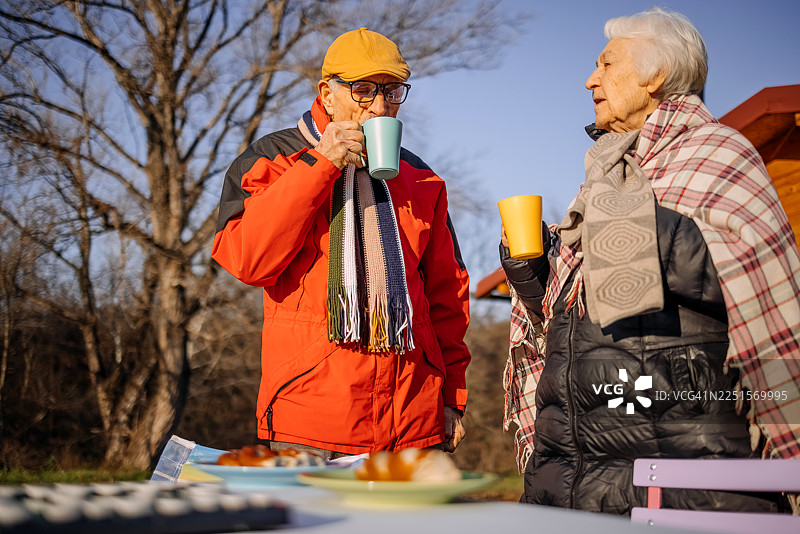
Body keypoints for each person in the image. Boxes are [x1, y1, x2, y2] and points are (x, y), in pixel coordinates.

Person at [501, 7, 800, 515]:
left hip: (678, 480)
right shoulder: (608, 175)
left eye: (607, 63)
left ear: (656, 75)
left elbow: (760, 281)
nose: (591, 79)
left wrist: (650, 235)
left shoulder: (718, 152)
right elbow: (577, 323)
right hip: (572, 476)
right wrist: (537, 276)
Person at [212, 28, 470, 458]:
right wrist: (322, 166)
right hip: (310, 420)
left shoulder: (422, 178)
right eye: (363, 90)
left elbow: (448, 294)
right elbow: (248, 261)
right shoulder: (273, 159)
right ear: (327, 95)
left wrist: (451, 398)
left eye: (392, 91)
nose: (379, 106)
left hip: (414, 421)